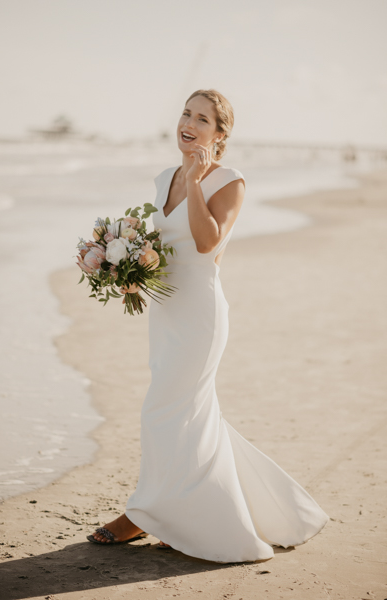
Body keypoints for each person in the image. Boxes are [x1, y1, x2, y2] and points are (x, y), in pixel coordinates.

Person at [87, 90, 328, 562]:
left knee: (162, 412)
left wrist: (197, 182)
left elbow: (205, 244)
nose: (189, 123)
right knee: (189, 418)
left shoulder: (229, 181)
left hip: (200, 315)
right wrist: (130, 272)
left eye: (203, 118)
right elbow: (164, 248)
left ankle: (143, 514)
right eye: (186, 113)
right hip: (165, 312)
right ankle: (189, 512)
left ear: (220, 135)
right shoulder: (162, 178)